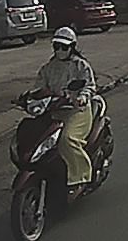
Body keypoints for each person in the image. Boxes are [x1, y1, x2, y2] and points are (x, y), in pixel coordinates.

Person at [32, 26, 98, 198]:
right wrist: (32, 98)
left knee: (67, 140)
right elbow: (38, 89)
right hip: (55, 111)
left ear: (72, 47)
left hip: (77, 110)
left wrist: (82, 97)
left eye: (64, 47)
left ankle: (81, 178)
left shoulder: (80, 65)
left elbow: (90, 86)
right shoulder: (48, 68)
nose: (60, 50)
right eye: (57, 46)